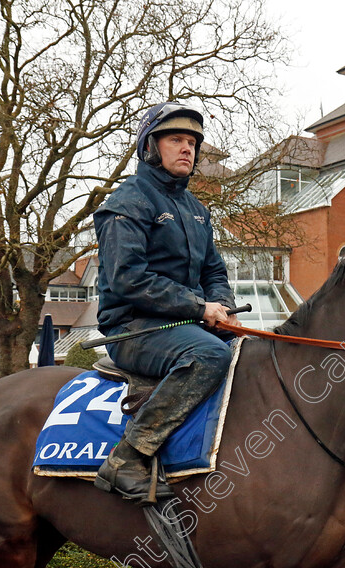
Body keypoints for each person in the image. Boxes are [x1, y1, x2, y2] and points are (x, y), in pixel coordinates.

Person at [92, 102, 239, 502]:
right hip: (133, 328)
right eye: (176, 139)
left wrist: (220, 306)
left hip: (183, 326)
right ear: (150, 147)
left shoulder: (196, 211)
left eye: (192, 142)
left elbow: (214, 272)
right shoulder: (128, 201)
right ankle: (127, 458)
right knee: (209, 356)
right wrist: (197, 308)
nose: (187, 149)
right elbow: (128, 279)